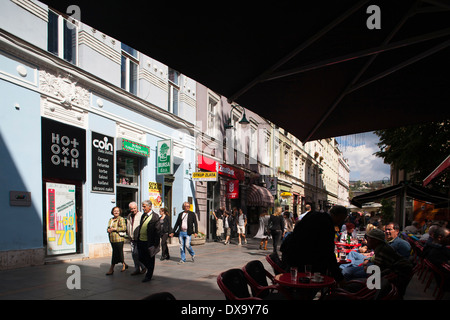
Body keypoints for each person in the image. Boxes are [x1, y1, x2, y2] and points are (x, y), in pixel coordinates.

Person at [282, 205, 349, 286]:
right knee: (308, 285)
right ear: (338, 216)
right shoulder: (327, 224)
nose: (341, 221)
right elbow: (328, 252)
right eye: (342, 219)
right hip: (304, 259)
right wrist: (339, 278)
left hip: (291, 253)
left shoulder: (313, 215)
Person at [137, 200, 161, 282]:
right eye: (143, 206)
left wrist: (156, 244)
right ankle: (149, 268)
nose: (143, 208)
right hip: (141, 240)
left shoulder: (155, 217)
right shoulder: (143, 215)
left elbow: (157, 230)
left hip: (149, 242)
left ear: (150, 206)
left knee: (150, 259)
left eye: (144, 206)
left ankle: (149, 275)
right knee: (140, 257)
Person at [106, 206, 128, 275]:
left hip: (119, 239)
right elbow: (108, 227)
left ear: (120, 212)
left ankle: (111, 268)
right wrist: (108, 230)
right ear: (112, 212)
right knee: (117, 253)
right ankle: (124, 264)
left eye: (117, 211)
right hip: (112, 239)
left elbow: (124, 228)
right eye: (115, 211)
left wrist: (114, 229)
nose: (116, 212)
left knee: (117, 253)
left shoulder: (121, 219)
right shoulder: (111, 219)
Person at [126, 202, 146, 275]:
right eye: (131, 209)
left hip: (139, 238)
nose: (133, 210)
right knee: (134, 255)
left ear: (137, 208)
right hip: (132, 238)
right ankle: (137, 269)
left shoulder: (141, 215)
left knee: (136, 253)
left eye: (134, 208)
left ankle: (143, 267)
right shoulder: (129, 216)